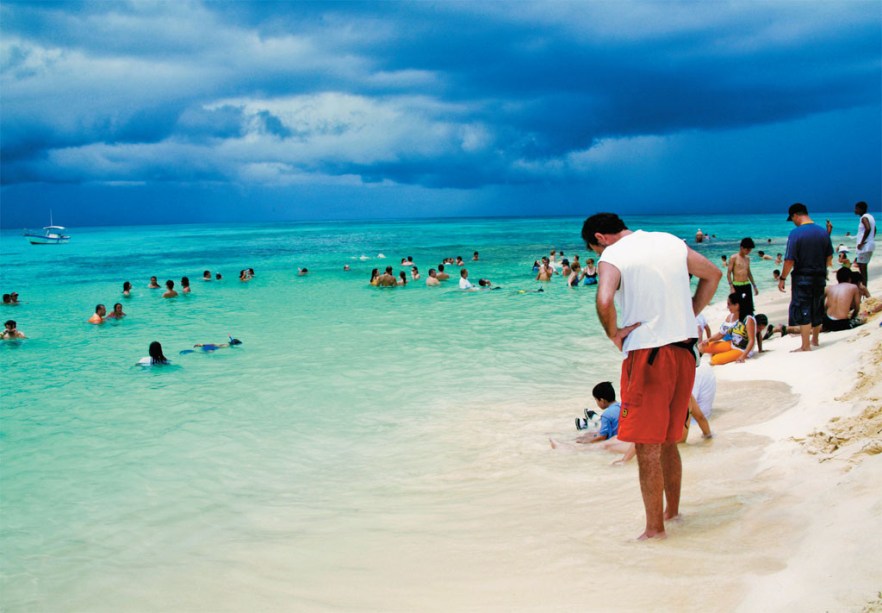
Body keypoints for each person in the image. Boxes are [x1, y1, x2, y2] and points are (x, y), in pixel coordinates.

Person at [582, 212, 721, 540]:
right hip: (685, 352)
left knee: (647, 447)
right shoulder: (670, 241)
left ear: (600, 237)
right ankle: (672, 513)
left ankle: (654, 530)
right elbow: (713, 275)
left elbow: (604, 301)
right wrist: (688, 313)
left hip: (648, 355)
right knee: (669, 440)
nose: (598, 256)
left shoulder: (613, 254)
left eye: (594, 250)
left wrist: (614, 334)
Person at [777, 203, 834, 352]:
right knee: (817, 306)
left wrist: (782, 278)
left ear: (795, 215)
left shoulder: (795, 234)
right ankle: (815, 339)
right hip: (820, 276)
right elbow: (829, 258)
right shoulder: (823, 232)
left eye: (793, 218)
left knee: (804, 308)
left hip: (803, 277)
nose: (794, 222)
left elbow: (789, 260)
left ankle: (805, 345)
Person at [770, 268, 863, 336]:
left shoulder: (830, 288)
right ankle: (783, 329)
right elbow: (857, 308)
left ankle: (783, 328)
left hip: (828, 320)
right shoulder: (853, 287)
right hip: (840, 323)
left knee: (815, 329)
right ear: (850, 279)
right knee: (862, 319)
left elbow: (817, 301)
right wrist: (852, 316)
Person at [699, 292, 757, 365]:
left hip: (742, 350)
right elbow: (721, 334)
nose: (727, 307)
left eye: (729, 304)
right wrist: (708, 340)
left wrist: (743, 356)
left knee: (715, 360)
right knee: (702, 346)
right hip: (731, 344)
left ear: (737, 305)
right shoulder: (730, 317)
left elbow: (751, 340)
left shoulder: (748, 319)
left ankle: (718, 355)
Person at [727, 237, 758, 317]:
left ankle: (749, 322)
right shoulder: (734, 258)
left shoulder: (747, 258)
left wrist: (754, 286)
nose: (749, 251)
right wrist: (731, 287)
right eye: (747, 249)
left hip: (747, 284)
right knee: (739, 307)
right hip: (737, 285)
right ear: (741, 247)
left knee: (749, 307)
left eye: (750, 250)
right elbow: (728, 273)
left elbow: (749, 273)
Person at [854, 201, 876, 286]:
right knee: (862, 266)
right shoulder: (871, 217)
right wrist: (871, 239)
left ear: (861, 209)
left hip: (865, 247)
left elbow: (868, 228)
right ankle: (864, 287)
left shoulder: (864, 218)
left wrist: (862, 243)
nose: (855, 210)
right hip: (869, 245)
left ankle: (864, 288)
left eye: (856, 208)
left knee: (862, 268)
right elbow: (874, 229)